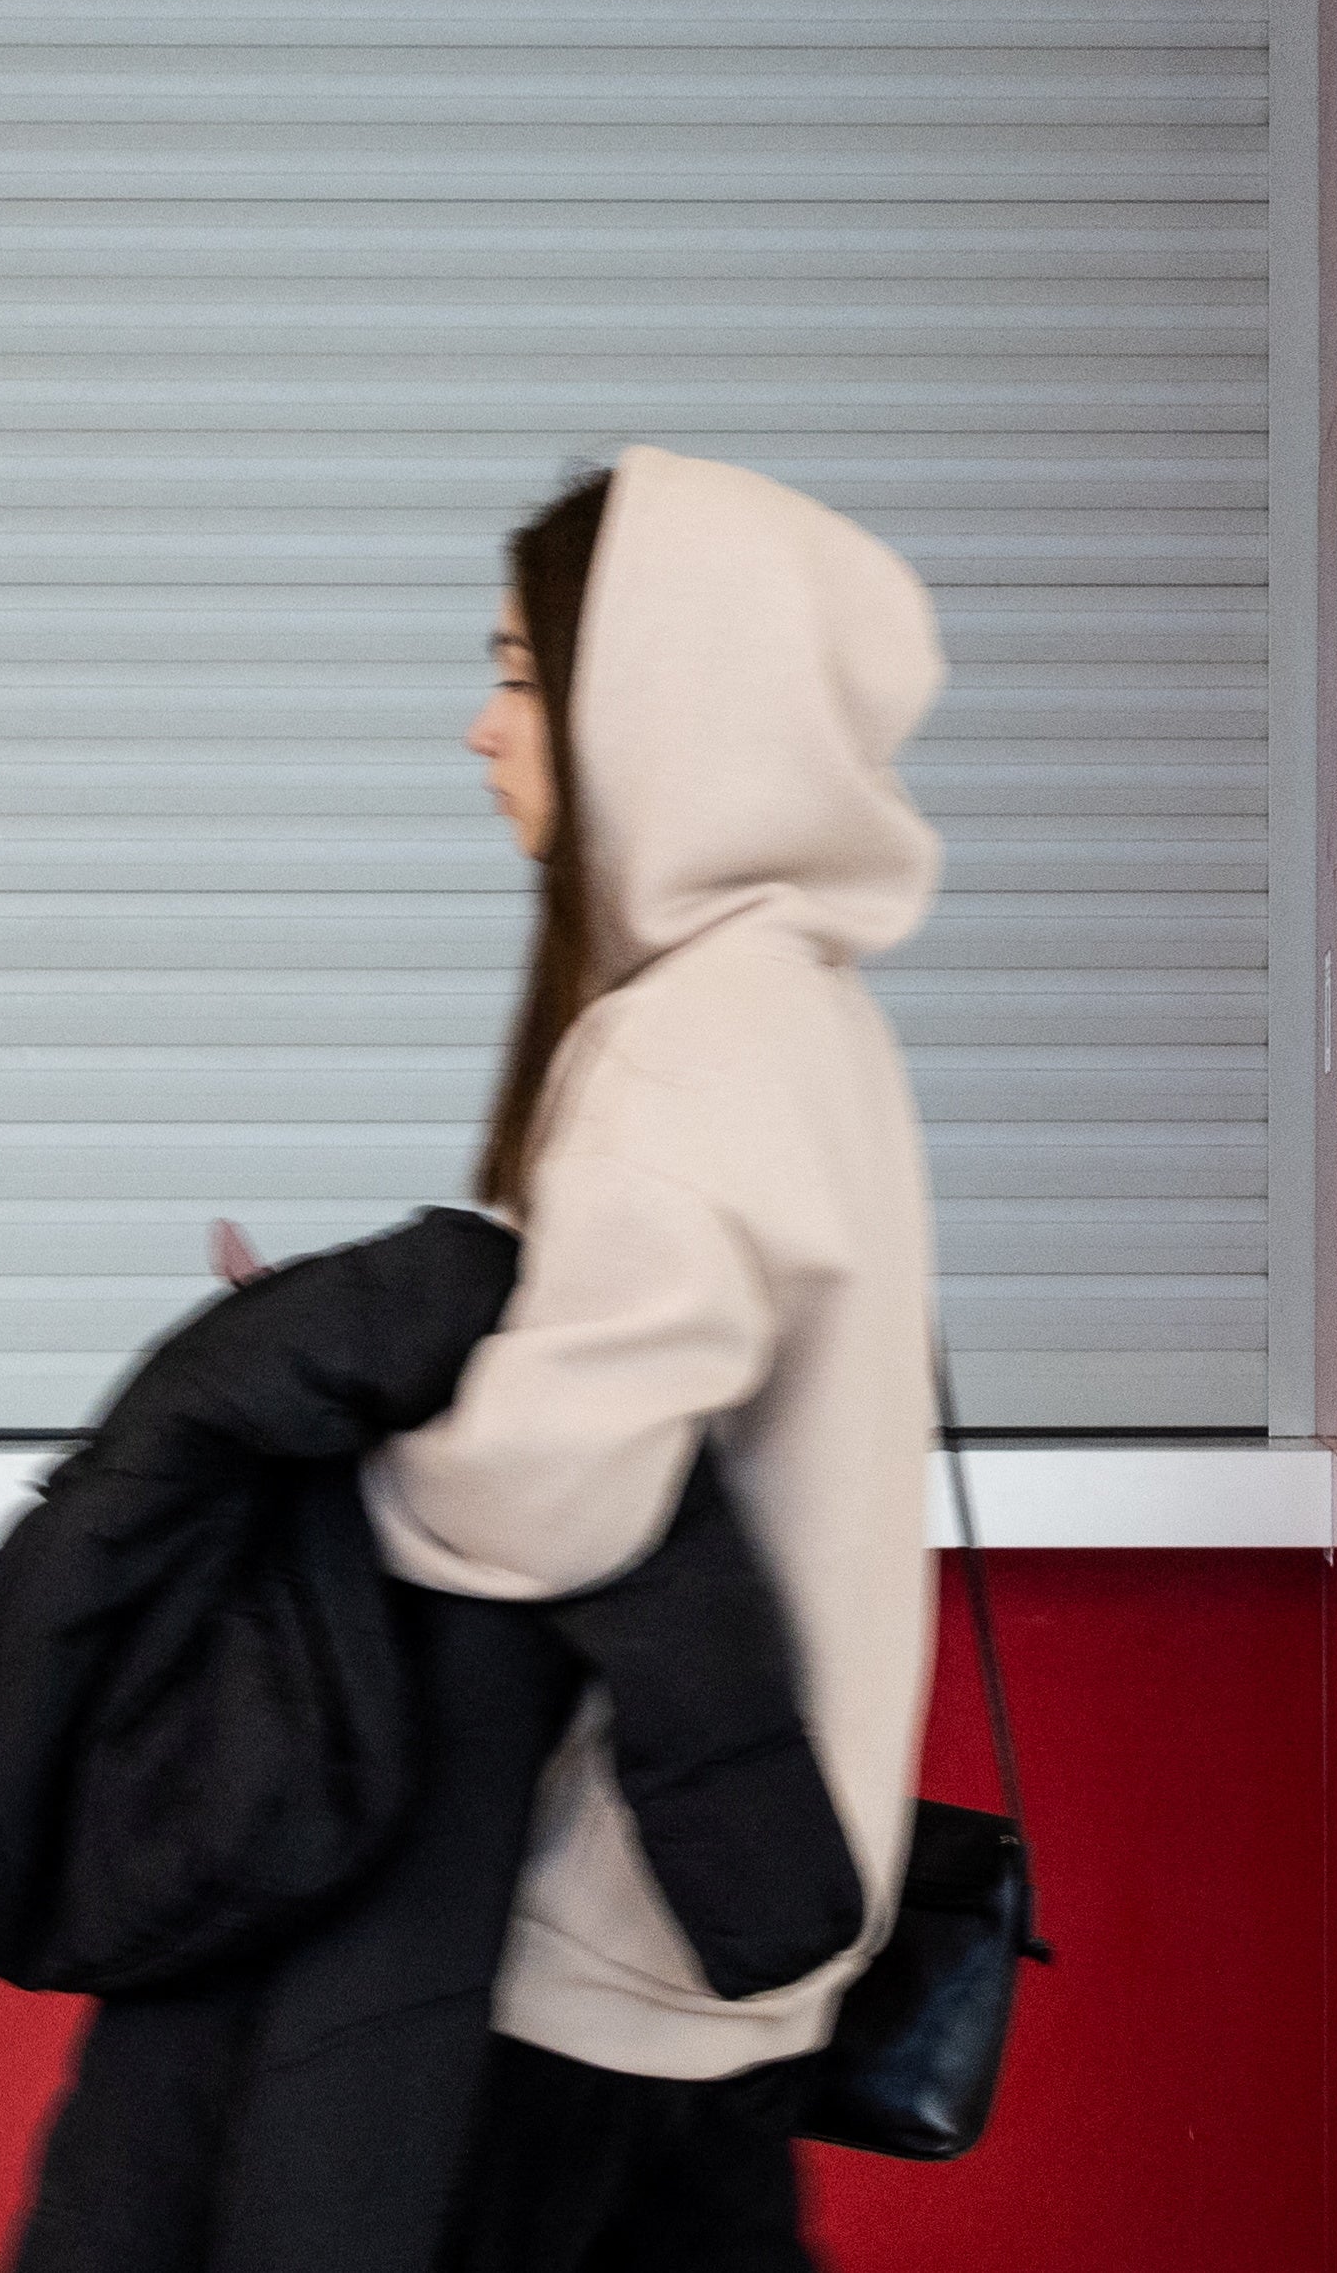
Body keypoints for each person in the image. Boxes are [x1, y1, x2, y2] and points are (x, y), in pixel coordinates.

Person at [375, 448, 947, 2273]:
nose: (479, 728)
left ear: (662, 695)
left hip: (624, 1916)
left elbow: (560, 1488)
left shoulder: (683, 1040)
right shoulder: (807, 1008)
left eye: (523, 672)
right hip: (751, 1891)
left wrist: (356, 1436)